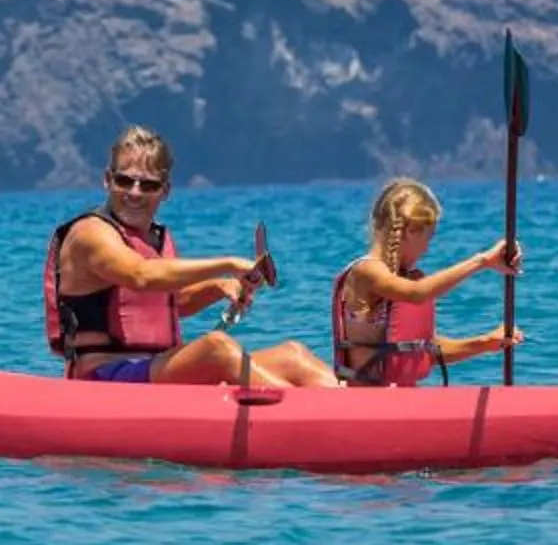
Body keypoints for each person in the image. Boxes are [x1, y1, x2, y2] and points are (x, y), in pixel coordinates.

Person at [43, 127, 338, 387]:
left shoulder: (157, 238)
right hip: (104, 377)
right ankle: (307, 417)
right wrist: (229, 263)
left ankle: (347, 405)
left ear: (165, 191)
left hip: (158, 369)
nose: (134, 193)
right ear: (108, 180)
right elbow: (140, 276)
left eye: (148, 185)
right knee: (215, 348)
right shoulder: (90, 234)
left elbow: (173, 302)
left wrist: (218, 288)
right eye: (125, 181)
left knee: (293, 356)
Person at [330, 177, 522, 386]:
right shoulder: (367, 271)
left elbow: (425, 351)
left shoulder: (402, 279)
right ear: (411, 231)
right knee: (292, 354)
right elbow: (417, 293)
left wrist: (485, 343)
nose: (427, 249)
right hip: (364, 398)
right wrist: (482, 261)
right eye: (428, 238)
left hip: (396, 398)